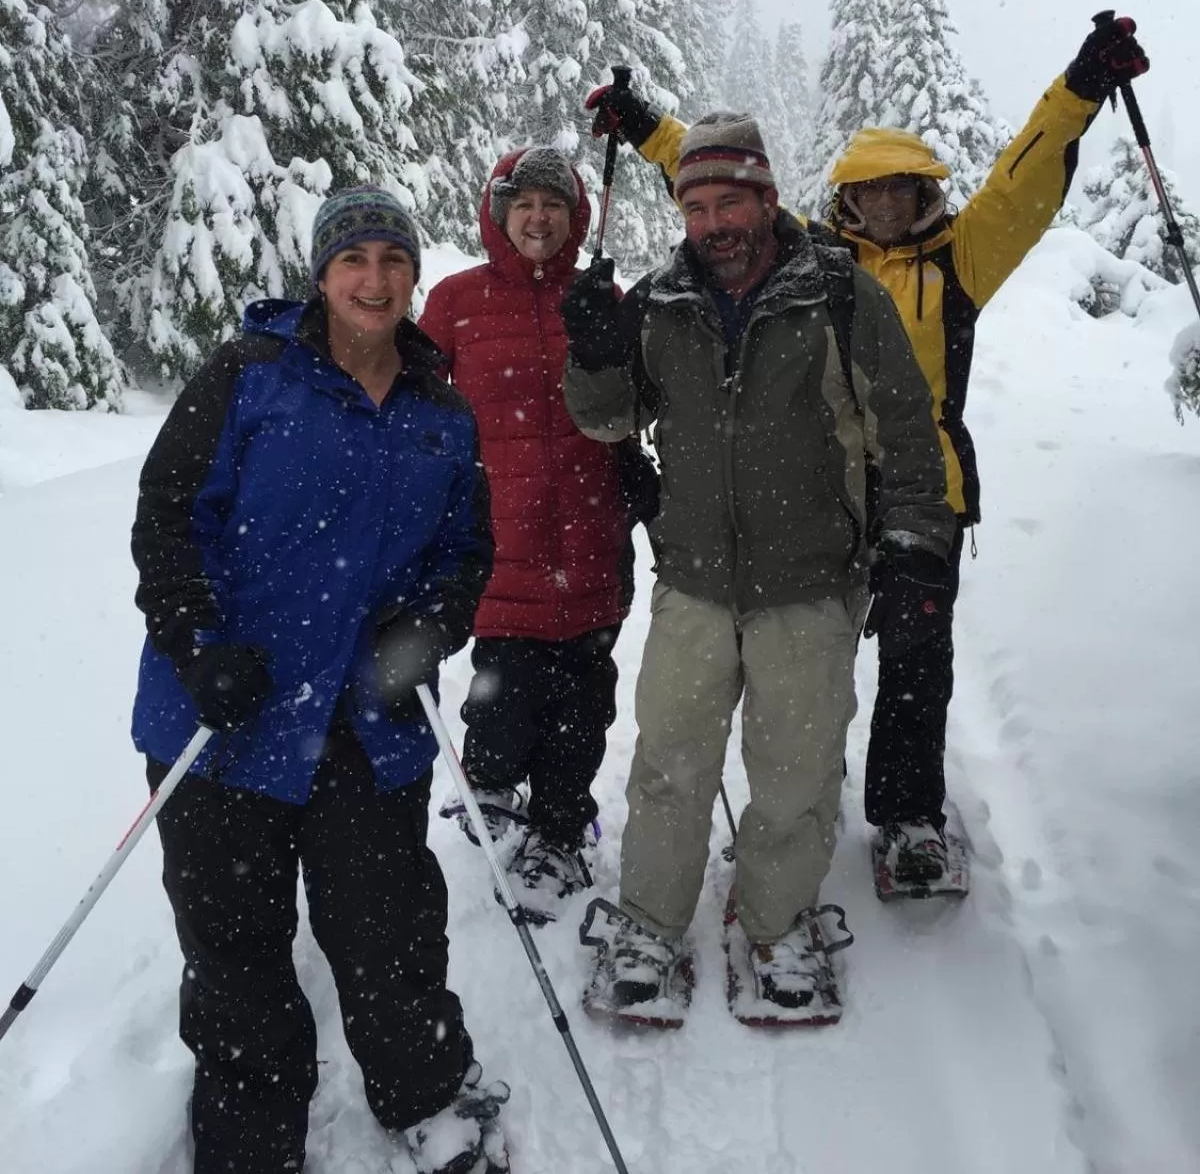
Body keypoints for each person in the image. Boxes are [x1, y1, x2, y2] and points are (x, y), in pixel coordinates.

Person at [583, 13, 1150, 891]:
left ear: (927, 197)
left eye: (903, 193)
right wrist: (651, 124)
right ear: (845, 200)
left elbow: (1021, 183)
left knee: (918, 662)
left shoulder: (962, 259)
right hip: (817, 485)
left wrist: (1079, 87)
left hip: (927, 489)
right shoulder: (820, 261)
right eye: (870, 194)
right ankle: (805, 796)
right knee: (811, 669)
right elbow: (721, 198)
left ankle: (908, 813)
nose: (886, 208)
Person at [130, 186, 509, 1174]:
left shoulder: (442, 412)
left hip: (366, 721)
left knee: (389, 941)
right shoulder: (250, 377)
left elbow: (465, 555)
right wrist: (198, 641)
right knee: (235, 961)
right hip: (223, 721)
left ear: (414, 273)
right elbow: (169, 519)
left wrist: (431, 627)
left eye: (392, 258)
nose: (374, 278)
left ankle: (424, 1091)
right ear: (322, 273)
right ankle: (253, 1142)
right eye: (354, 259)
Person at [558, 116, 957, 1018]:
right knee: (670, 763)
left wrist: (914, 543)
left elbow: (906, 426)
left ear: (768, 199)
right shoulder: (659, 303)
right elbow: (608, 419)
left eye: (729, 200)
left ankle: (778, 927)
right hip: (695, 579)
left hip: (811, 582)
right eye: (696, 206)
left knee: (797, 772)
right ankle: (651, 925)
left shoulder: (842, 296)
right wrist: (591, 355)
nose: (712, 222)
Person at [419, 147, 634, 923]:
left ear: (575, 218)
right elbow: (416, 406)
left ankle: (562, 827)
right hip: (498, 543)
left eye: (555, 204)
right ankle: (492, 782)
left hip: (589, 539)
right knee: (503, 688)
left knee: (582, 702)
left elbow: (633, 400)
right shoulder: (455, 302)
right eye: (524, 204)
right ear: (498, 215)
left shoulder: (601, 294)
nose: (539, 217)